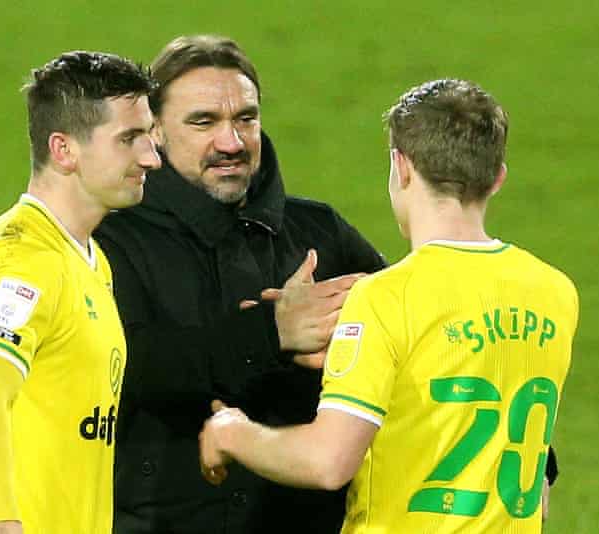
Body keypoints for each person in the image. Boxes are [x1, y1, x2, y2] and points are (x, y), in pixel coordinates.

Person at [199, 79, 578, 533]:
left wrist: (231, 432)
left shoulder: (385, 298)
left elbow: (328, 462)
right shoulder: (555, 292)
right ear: (497, 178)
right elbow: (533, 485)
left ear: (402, 167)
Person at [94, 35, 387, 534]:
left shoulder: (318, 233)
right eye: (203, 122)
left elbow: (417, 333)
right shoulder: (112, 241)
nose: (231, 143)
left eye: (246, 119)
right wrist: (274, 332)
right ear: (154, 131)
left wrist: (350, 333)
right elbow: (123, 365)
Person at [0, 51, 160, 534]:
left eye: (149, 135)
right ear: (63, 150)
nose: (151, 158)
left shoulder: (88, 261)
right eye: (128, 139)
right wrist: (0, 524)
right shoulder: (25, 260)